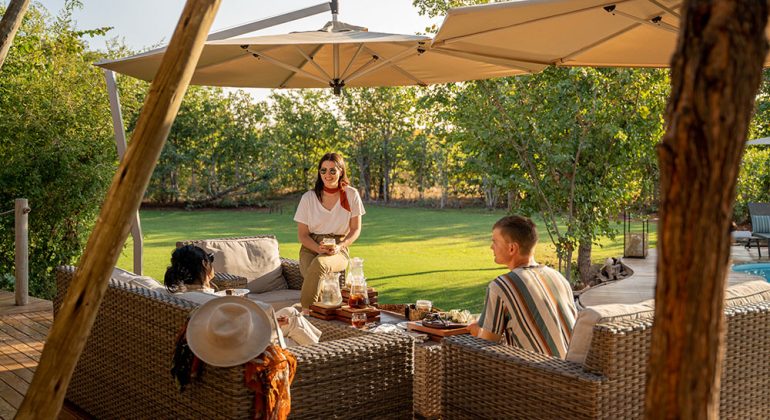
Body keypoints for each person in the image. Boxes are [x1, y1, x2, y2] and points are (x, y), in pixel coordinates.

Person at [165, 245, 321, 347]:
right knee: (294, 318)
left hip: (221, 341)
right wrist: (271, 324)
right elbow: (243, 331)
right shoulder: (213, 303)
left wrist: (271, 322)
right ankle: (323, 356)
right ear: (205, 264)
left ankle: (317, 349)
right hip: (248, 348)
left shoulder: (179, 296)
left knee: (289, 314)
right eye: (210, 258)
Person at [469, 215, 577, 359]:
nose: (491, 247)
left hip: (535, 375)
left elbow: (486, 346)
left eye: (494, 242)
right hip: (573, 372)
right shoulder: (558, 277)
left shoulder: (501, 286)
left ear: (512, 248)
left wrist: (477, 332)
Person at [293, 152, 366, 309]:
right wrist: (318, 248)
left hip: (339, 248)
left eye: (333, 170)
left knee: (319, 264)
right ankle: (323, 322)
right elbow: (303, 235)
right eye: (323, 170)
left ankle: (305, 313)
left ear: (341, 171)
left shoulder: (351, 194)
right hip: (310, 247)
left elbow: (355, 229)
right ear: (319, 173)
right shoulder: (308, 198)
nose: (328, 174)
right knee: (315, 278)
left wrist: (340, 246)